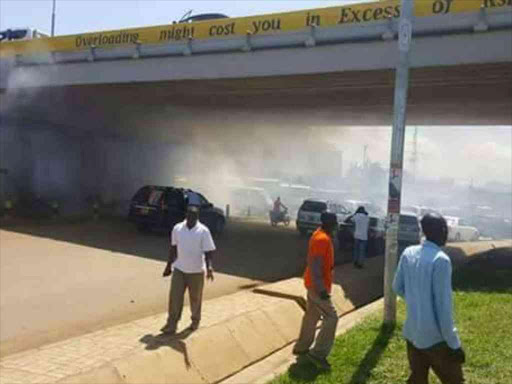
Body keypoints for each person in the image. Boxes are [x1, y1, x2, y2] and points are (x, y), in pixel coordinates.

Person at [393, 213, 465, 384]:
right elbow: (443, 309)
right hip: (436, 340)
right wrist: (454, 345)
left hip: (412, 334)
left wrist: (417, 301)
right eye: (445, 229)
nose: (446, 233)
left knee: (418, 378)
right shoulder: (441, 260)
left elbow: (397, 287)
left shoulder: (409, 252)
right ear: (440, 231)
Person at [293, 211, 339, 371]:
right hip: (317, 286)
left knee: (311, 316)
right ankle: (318, 354)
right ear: (330, 224)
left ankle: (301, 347)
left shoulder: (319, 235)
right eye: (335, 223)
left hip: (312, 283)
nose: (337, 226)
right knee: (332, 317)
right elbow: (315, 266)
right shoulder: (322, 239)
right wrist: (321, 290)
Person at [160, 205, 216, 335]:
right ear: (186, 215)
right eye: (189, 216)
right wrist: (168, 266)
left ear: (197, 217)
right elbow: (173, 248)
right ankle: (171, 324)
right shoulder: (177, 228)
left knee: (195, 299)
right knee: (175, 297)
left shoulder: (203, 231)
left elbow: (209, 251)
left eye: (194, 217)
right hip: (179, 269)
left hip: (196, 271)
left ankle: (195, 321)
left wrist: (209, 267)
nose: (191, 219)